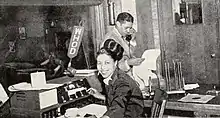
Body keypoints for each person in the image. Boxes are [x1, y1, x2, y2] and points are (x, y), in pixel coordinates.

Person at [88, 39, 144, 118]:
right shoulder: (113, 76)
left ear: (115, 63)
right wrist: (100, 96)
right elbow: (118, 98)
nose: (102, 67)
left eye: (107, 63)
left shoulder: (122, 82)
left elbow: (118, 108)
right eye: (99, 63)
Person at [100, 12, 145, 89]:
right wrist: (128, 63)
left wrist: (132, 40)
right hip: (117, 82)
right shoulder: (110, 39)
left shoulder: (122, 36)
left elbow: (128, 53)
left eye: (130, 28)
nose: (128, 31)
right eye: (126, 28)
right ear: (118, 24)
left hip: (126, 77)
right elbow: (106, 65)